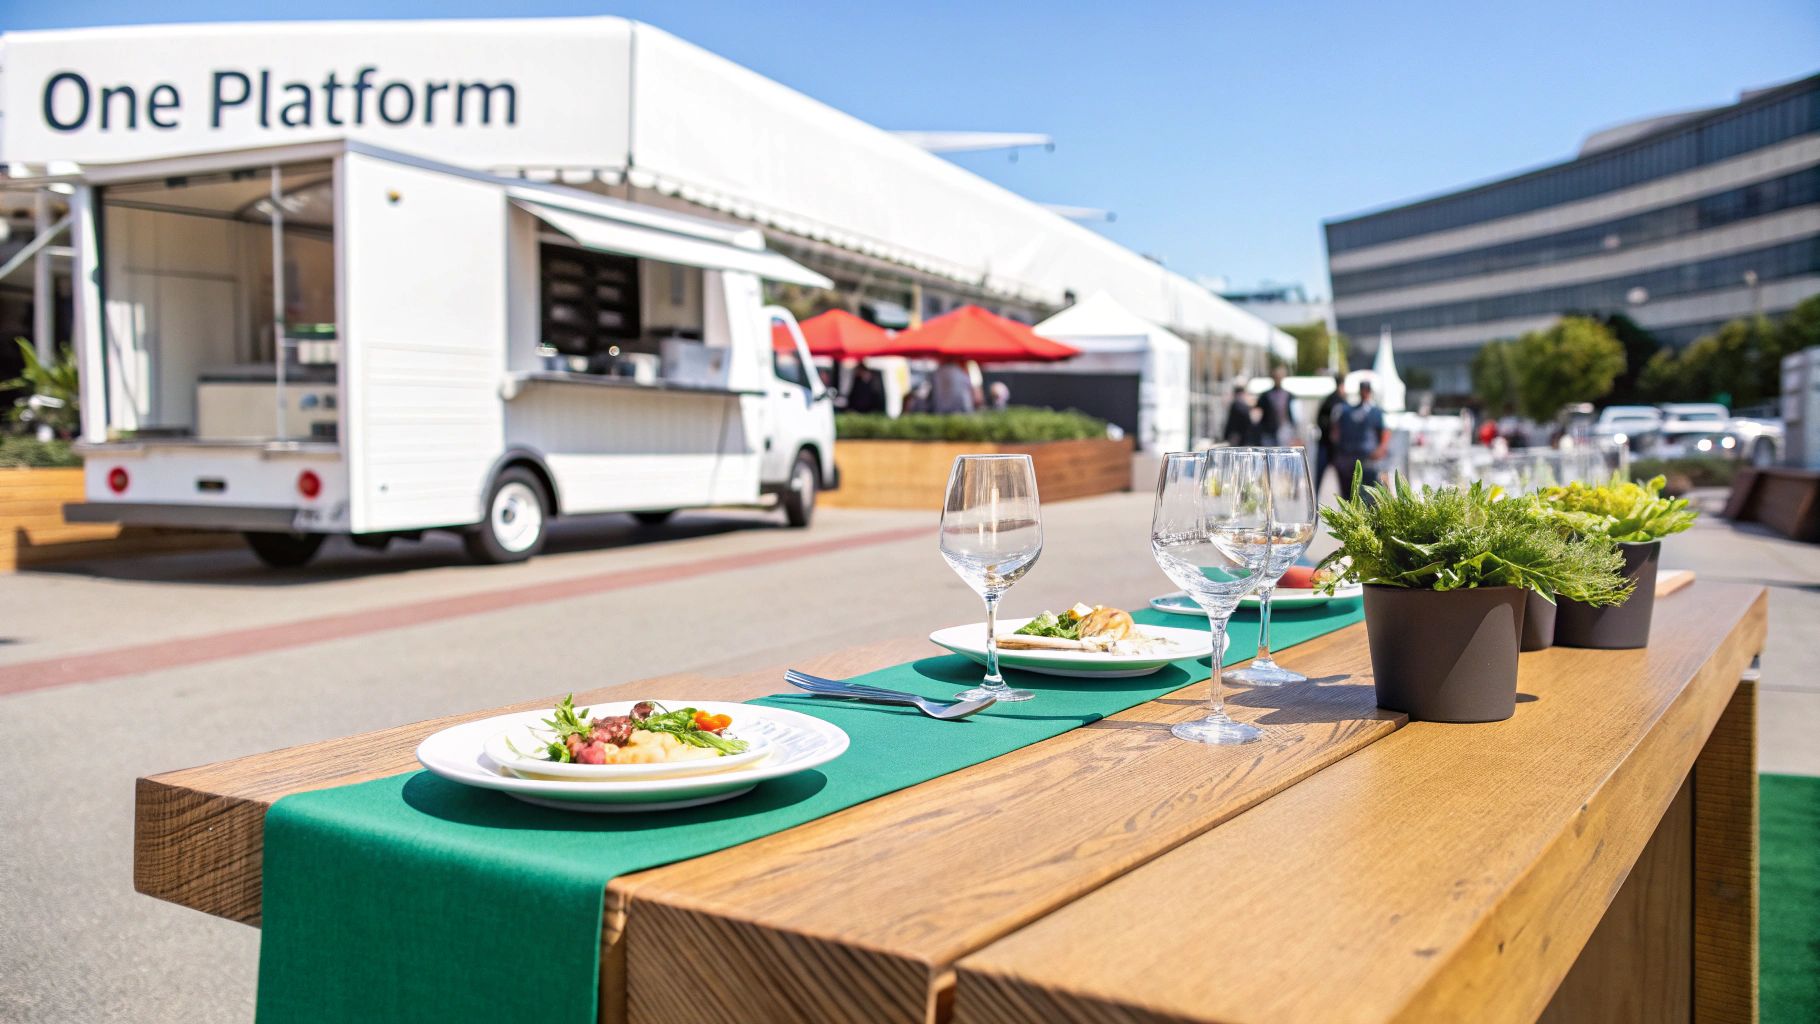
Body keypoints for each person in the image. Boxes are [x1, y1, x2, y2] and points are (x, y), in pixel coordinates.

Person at [1334, 380, 1390, 500]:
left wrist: (1380, 450)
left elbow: (1384, 433)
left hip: (1369, 461)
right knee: (1349, 496)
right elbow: (1337, 432)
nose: (1364, 393)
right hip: (1350, 460)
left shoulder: (1376, 412)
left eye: (1367, 390)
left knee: (1369, 497)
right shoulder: (1348, 411)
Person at [1313, 373, 1347, 493]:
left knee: (1344, 482)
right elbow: (1320, 420)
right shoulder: (1337, 401)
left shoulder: (1336, 401)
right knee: (1320, 479)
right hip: (1328, 446)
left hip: (1334, 447)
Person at [1257, 366, 1297, 446]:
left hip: (1285, 431)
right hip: (1268, 432)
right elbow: (1258, 412)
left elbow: (1293, 414)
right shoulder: (1265, 395)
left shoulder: (1289, 395)